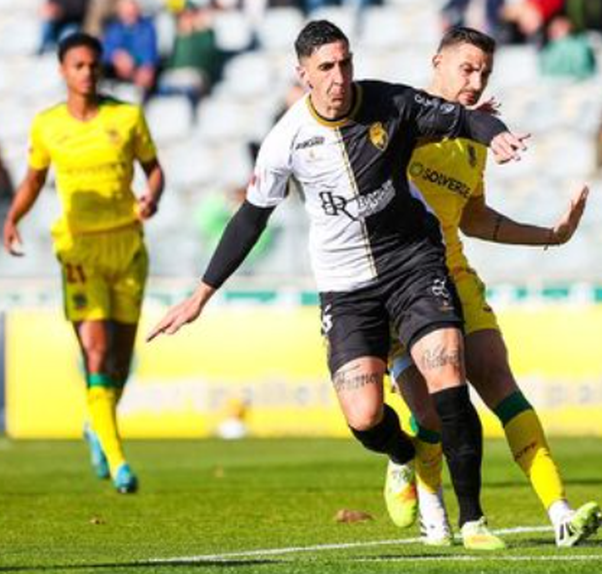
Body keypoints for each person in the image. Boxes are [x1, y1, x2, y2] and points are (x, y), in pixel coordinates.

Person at [146, 20, 528, 550]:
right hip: (347, 288)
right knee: (366, 417)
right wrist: (201, 293)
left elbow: (463, 119)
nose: (339, 76)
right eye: (326, 67)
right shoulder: (285, 140)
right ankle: (404, 455)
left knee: (447, 375)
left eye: (345, 62)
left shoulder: (391, 103)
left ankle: (474, 521)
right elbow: (250, 219)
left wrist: (498, 134)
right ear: (303, 74)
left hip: (413, 263)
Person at [384, 26, 602, 549]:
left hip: (454, 277)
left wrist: (550, 236)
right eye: (467, 68)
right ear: (437, 61)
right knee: (433, 412)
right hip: (394, 281)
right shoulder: (397, 119)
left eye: (484, 72)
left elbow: (475, 218)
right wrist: (469, 122)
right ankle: (424, 490)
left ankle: (560, 512)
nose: (476, 80)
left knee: (502, 386)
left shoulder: (473, 145)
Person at [2, 33, 165, 494]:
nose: (88, 73)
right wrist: (13, 217)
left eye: (94, 65)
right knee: (95, 351)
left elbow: (154, 169)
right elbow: (34, 180)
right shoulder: (47, 125)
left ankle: (97, 423)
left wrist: (151, 195)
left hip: (127, 246)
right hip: (78, 250)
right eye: (78, 65)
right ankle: (118, 462)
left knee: (119, 359)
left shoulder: (127, 116)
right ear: (63, 70)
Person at [102, 0, 159, 97]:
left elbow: (148, 56)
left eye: (132, 9)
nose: (130, 13)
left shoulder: (147, 28)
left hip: (139, 77)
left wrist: (134, 63)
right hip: (116, 76)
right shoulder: (113, 28)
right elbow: (105, 50)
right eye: (126, 10)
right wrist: (116, 56)